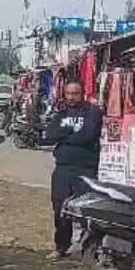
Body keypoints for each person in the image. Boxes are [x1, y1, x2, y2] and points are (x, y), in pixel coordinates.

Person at [40, 80, 103, 260]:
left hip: (86, 169)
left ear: (82, 93)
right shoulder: (61, 114)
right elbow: (50, 135)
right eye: (68, 93)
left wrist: (64, 136)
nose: (71, 97)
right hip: (63, 169)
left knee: (87, 209)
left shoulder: (92, 112)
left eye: (75, 93)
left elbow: (87, 135)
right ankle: (61, 247)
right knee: (60, 208)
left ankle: (89, 250)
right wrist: (70, 134)